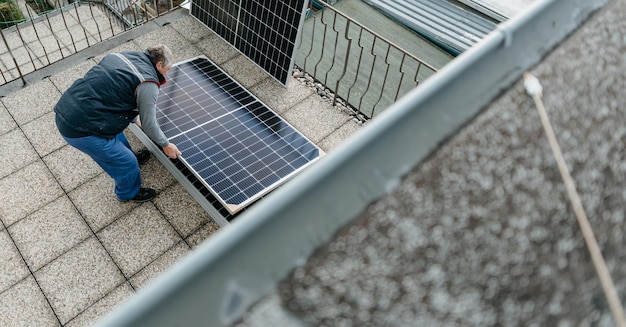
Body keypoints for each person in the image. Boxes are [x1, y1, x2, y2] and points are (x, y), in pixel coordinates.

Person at [54, 44, 181, 203]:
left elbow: (113, 92)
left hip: (71, 107)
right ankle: (128, 193)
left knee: (117, 137)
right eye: (167, 69)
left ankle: (125, 157)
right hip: (79, 129)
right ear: (159, 64)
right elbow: (149, 124)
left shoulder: (122, 56)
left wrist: (134, 118)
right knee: (126, 163)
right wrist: (165, 144)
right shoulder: (148, 83)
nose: (168, 74)